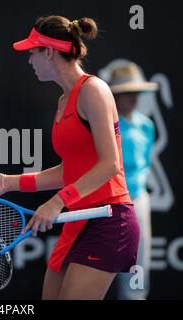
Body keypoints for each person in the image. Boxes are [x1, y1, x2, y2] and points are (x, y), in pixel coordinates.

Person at [0, 15, 139, 300]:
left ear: (49, 52)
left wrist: (57, 202)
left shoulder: (94, 91)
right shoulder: (65, 100)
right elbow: (71, 170)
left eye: (32, 52)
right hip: (78, 218)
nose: (29, 61)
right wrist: (9, 182)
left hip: (108, 218)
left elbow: (111, 165)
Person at [108, 62, 157, 300]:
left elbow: (143, 165)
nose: (134, 97)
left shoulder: (147, 126)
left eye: (137, 91)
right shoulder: (103, 126)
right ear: (115, 96)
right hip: (107, 204)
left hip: (138, 202)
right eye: (127, 92)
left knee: (137, 264)